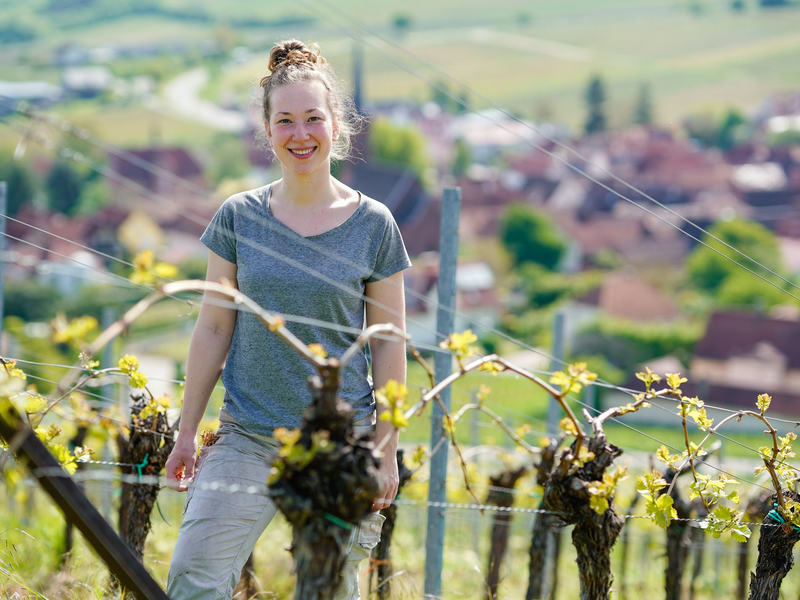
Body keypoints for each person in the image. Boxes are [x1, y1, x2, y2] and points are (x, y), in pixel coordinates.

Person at [165, 39, 411, 600]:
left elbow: (390, 343)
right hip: (247, 434)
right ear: (267, 130)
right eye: (285, 121)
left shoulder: (375, 225)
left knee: (329, 591)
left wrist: (386, 447)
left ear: (337, 124)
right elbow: (212, 328)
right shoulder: (237, 217)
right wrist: (185, 433)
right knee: (193, 578)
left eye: (313, 118)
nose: (301, 134)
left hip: (339, 445)